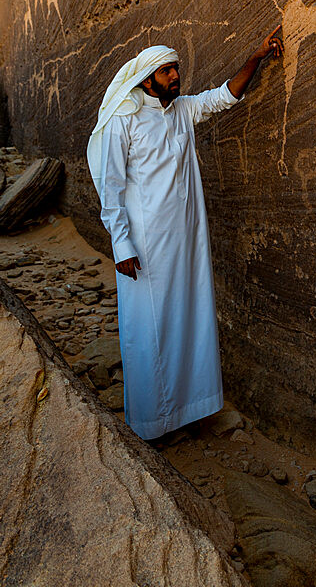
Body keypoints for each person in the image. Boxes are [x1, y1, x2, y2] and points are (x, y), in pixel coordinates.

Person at [86, 27, 283, 440]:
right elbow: (111, 188)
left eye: (176, 69)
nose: (175, 76)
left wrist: (257, 56)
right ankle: (149, 424)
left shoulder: (180, 110)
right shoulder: (125, 120)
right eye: (167, 71)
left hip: (186, 240)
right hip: (144, 246)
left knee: (186, 319)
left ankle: (185, 411)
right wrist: (120, 244)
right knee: (149, 328)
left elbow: (224, 96)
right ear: (146, 79)